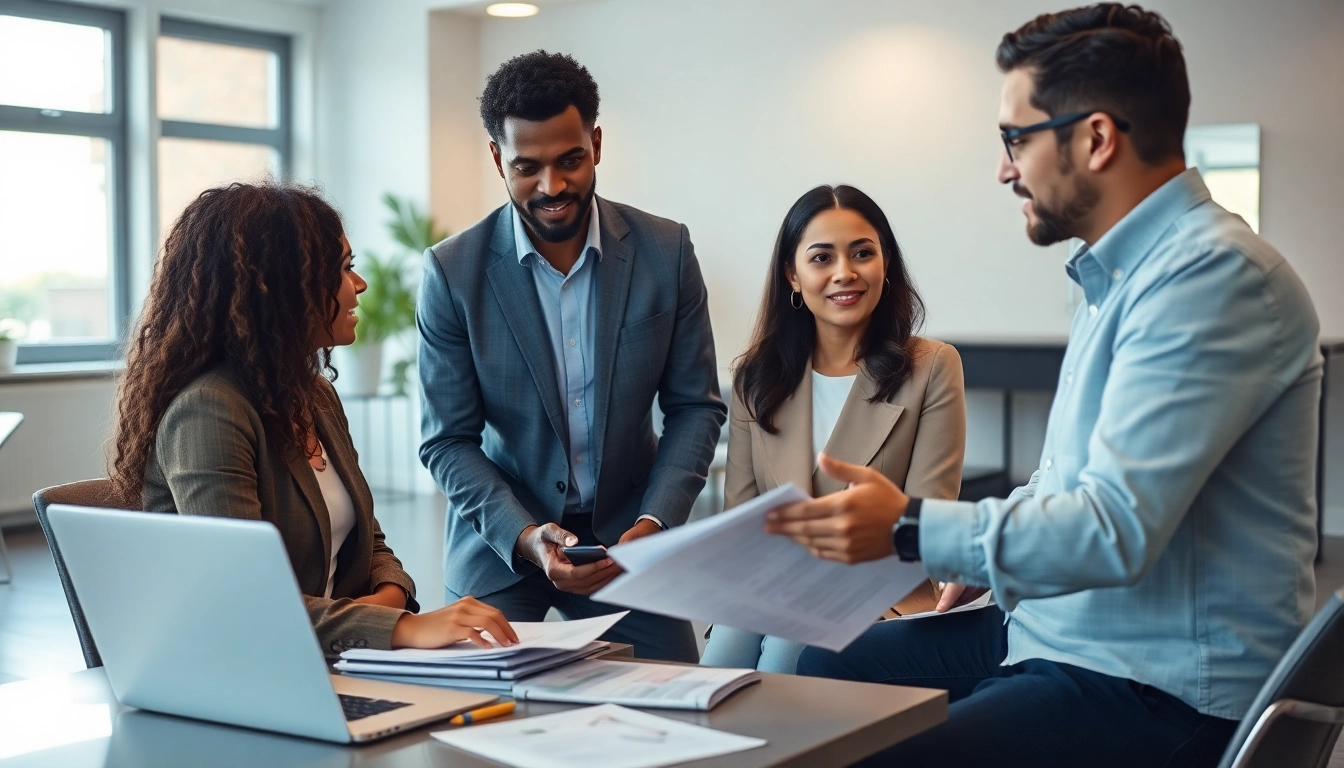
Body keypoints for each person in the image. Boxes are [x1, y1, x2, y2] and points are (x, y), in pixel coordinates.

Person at [773, 5, 1322, 766]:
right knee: (834, 667)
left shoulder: (1210, 278)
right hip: (1064, 631)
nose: (1004, 167)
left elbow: (1113, 528)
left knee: (874, 749)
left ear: (1095, 138)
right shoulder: (1117, 277)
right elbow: (1066, 480)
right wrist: (979, 560)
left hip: (1160, 687)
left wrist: (912, 530)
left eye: (1015, 139)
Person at [112, 181, 518, 656]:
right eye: (344, 269)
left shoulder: (314, 396)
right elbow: (244, 601)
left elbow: (372, 543)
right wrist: (399, 627)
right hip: (243, 671)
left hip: (326, 657)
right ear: (283, 288)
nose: (360, 284)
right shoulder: (208, 412)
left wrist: (389, 605)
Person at [418, 51, 725, 662]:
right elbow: (447, 441)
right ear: (497, 159)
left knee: (674, 708)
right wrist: (528, 538)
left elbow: (694, 408)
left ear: (597, 144)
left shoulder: (666, 251)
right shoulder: (452, 273)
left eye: (571, 160)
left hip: (631, 533)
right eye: (527, 167)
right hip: (502, 541)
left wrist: (654, 526)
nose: (552, 187)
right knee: (479, 725)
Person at [699, 185, 965, 674]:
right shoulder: (757, 376)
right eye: (822, 257)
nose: (845, 272)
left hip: (879, 592)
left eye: (863, 253)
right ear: (792, 276)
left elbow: (927, 524)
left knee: (787, 650)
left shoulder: (931, 367)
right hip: (771, 589)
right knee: (723, 656)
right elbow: (742, 528)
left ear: (886, 265)